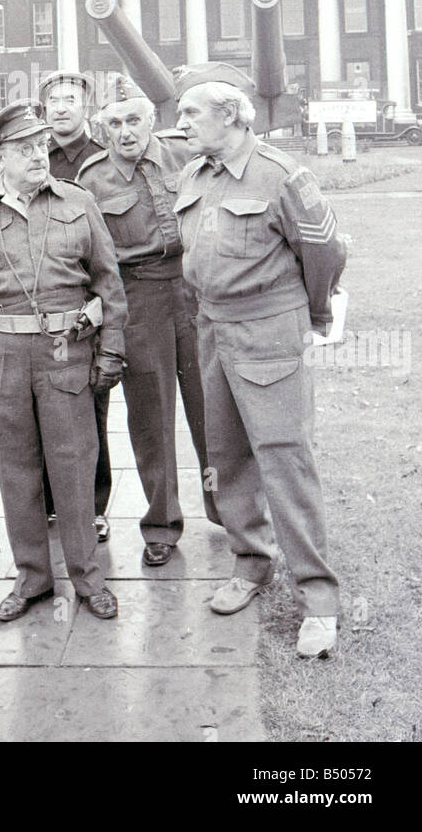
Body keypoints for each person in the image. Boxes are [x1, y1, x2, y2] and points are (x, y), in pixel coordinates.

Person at [174, 63, 346, 657]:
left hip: (269, 330)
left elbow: (324, 249)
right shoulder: (195, 174)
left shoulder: (281, 175)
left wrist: (312, 315)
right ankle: (250, 564)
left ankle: (319, 598)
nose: (181, 123)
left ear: (230, 114)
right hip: (212, 328)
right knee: (225, 455)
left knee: (284, 460)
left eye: (191, 112)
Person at [0, 100, 128, 622]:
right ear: (1, 156)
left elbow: (110, 282)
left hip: (67, 353)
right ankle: (34, 578)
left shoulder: (78, 202)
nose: (39, 156)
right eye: (24, 149)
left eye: (41, 146)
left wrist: (111, 350)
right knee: (17, 470)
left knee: (74, 464)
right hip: (3, 357)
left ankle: (88, 578)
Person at [77, 73, 220, 568]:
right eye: (113, 123)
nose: (125, 131)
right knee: (151, 419)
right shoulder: (91, 179)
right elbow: (90, 258)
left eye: (133, 119)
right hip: (137, 300)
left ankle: (228, 509)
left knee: (213, 409)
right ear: (102, 129)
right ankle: (161, 524)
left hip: (196, 292)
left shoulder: (188, 155)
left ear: (152, 120)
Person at [36, 69, 110, 542]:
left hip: (90, 298)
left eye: (70, 99)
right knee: (43, 403)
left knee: (90, 408)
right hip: (41, 301)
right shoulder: (31, 154)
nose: (61, 107)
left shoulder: (104, 159)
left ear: (87, 107)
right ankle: (49, 503)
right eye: (53, 101)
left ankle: (93, 506)